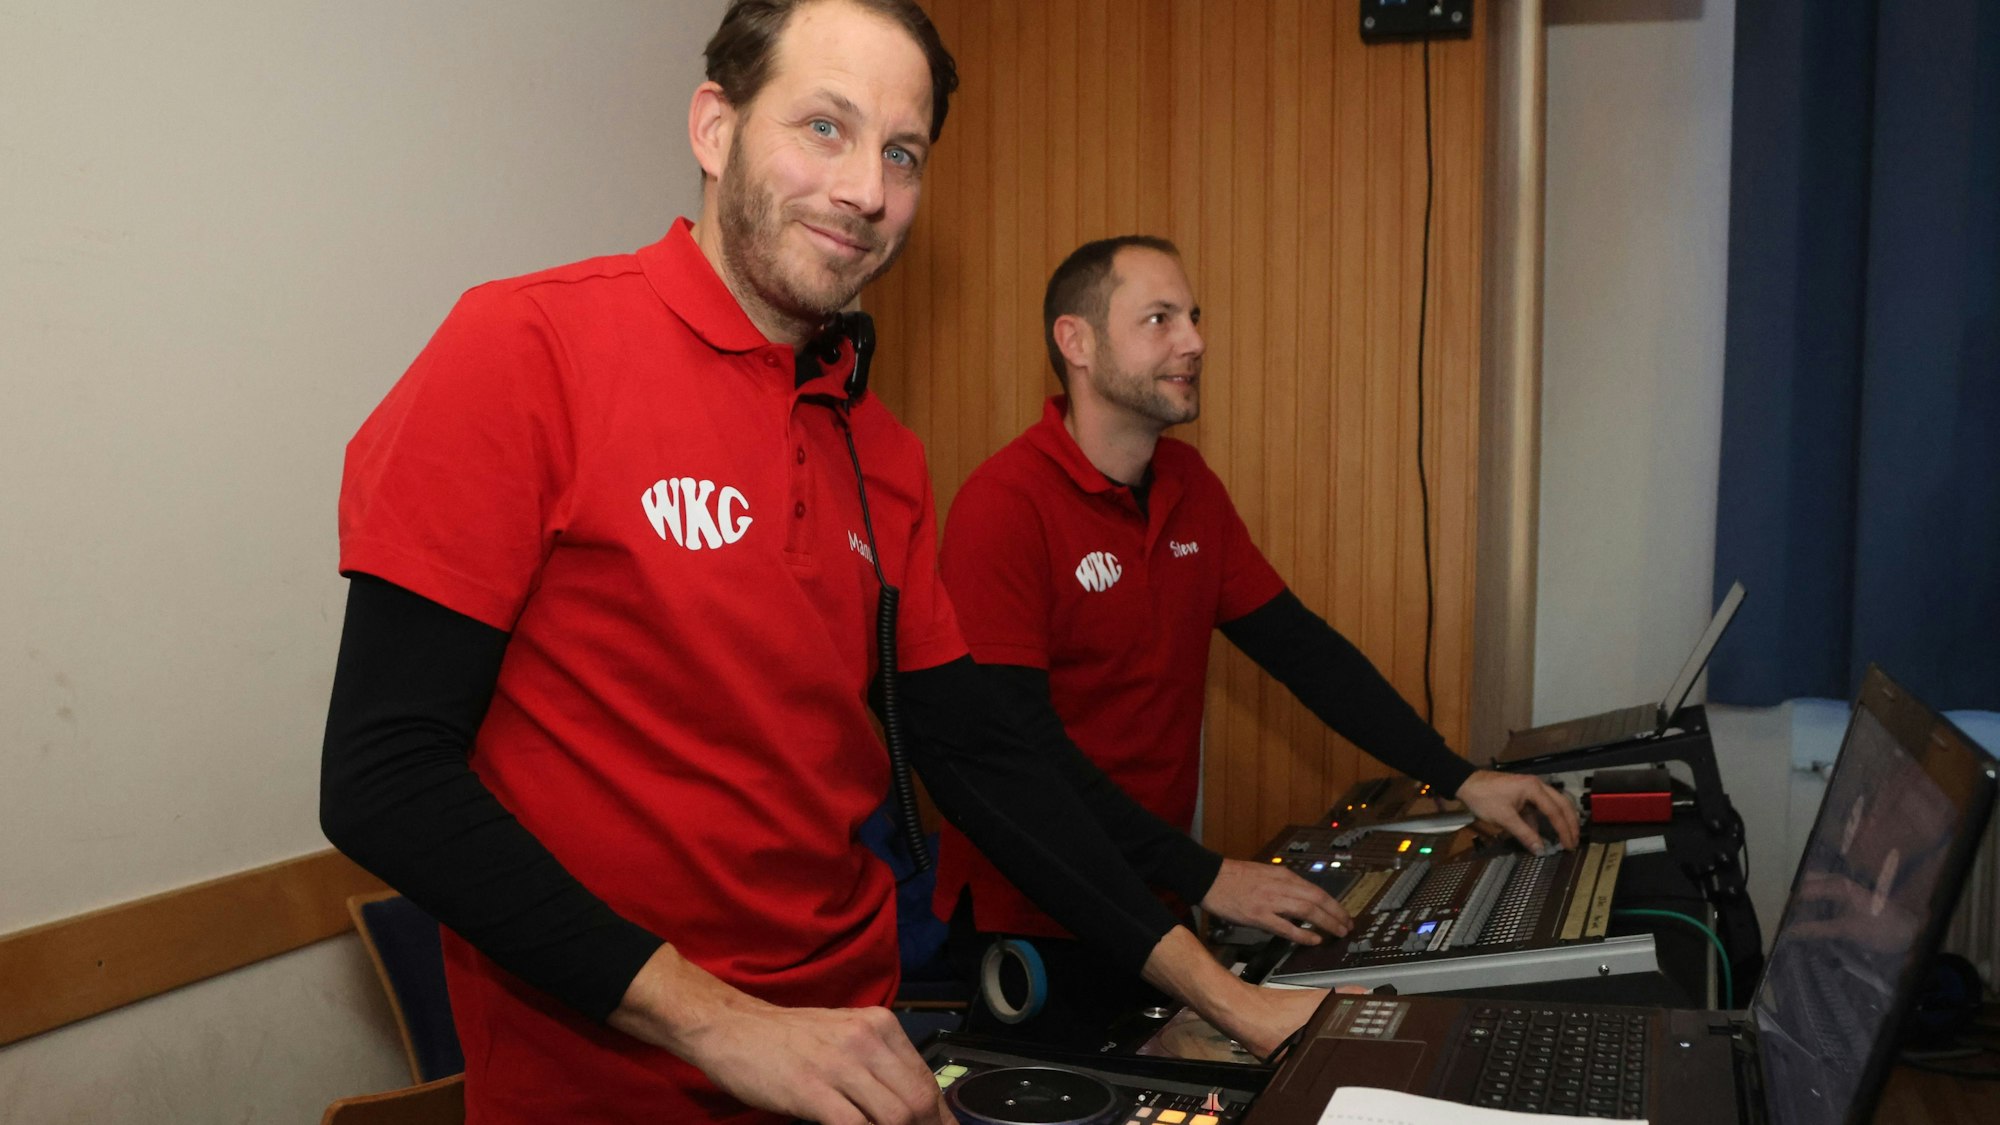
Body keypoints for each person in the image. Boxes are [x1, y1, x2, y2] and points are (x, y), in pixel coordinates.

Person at [320, 5, 1329, 1123]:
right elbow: (384, 779)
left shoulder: (878, 449)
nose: (865, 189)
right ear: (715, 128)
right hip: (618, 1085)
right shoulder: (525, 349)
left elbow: (985, 760)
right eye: (823, 128)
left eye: (901, 153)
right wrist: (722, 1023)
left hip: (863, 1068)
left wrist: (1226, 998)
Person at [933, 236, 1581, 1028]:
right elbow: (1020, 755)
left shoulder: (1189, 487)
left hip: (1158, 895)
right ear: (1077, 342)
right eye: (1159, 319)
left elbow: (1300, 650)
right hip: (1040, 917)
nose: (1194, 341)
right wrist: (1205, 873)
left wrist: (1459, 775)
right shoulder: (1003, 506)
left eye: (1194, 317)